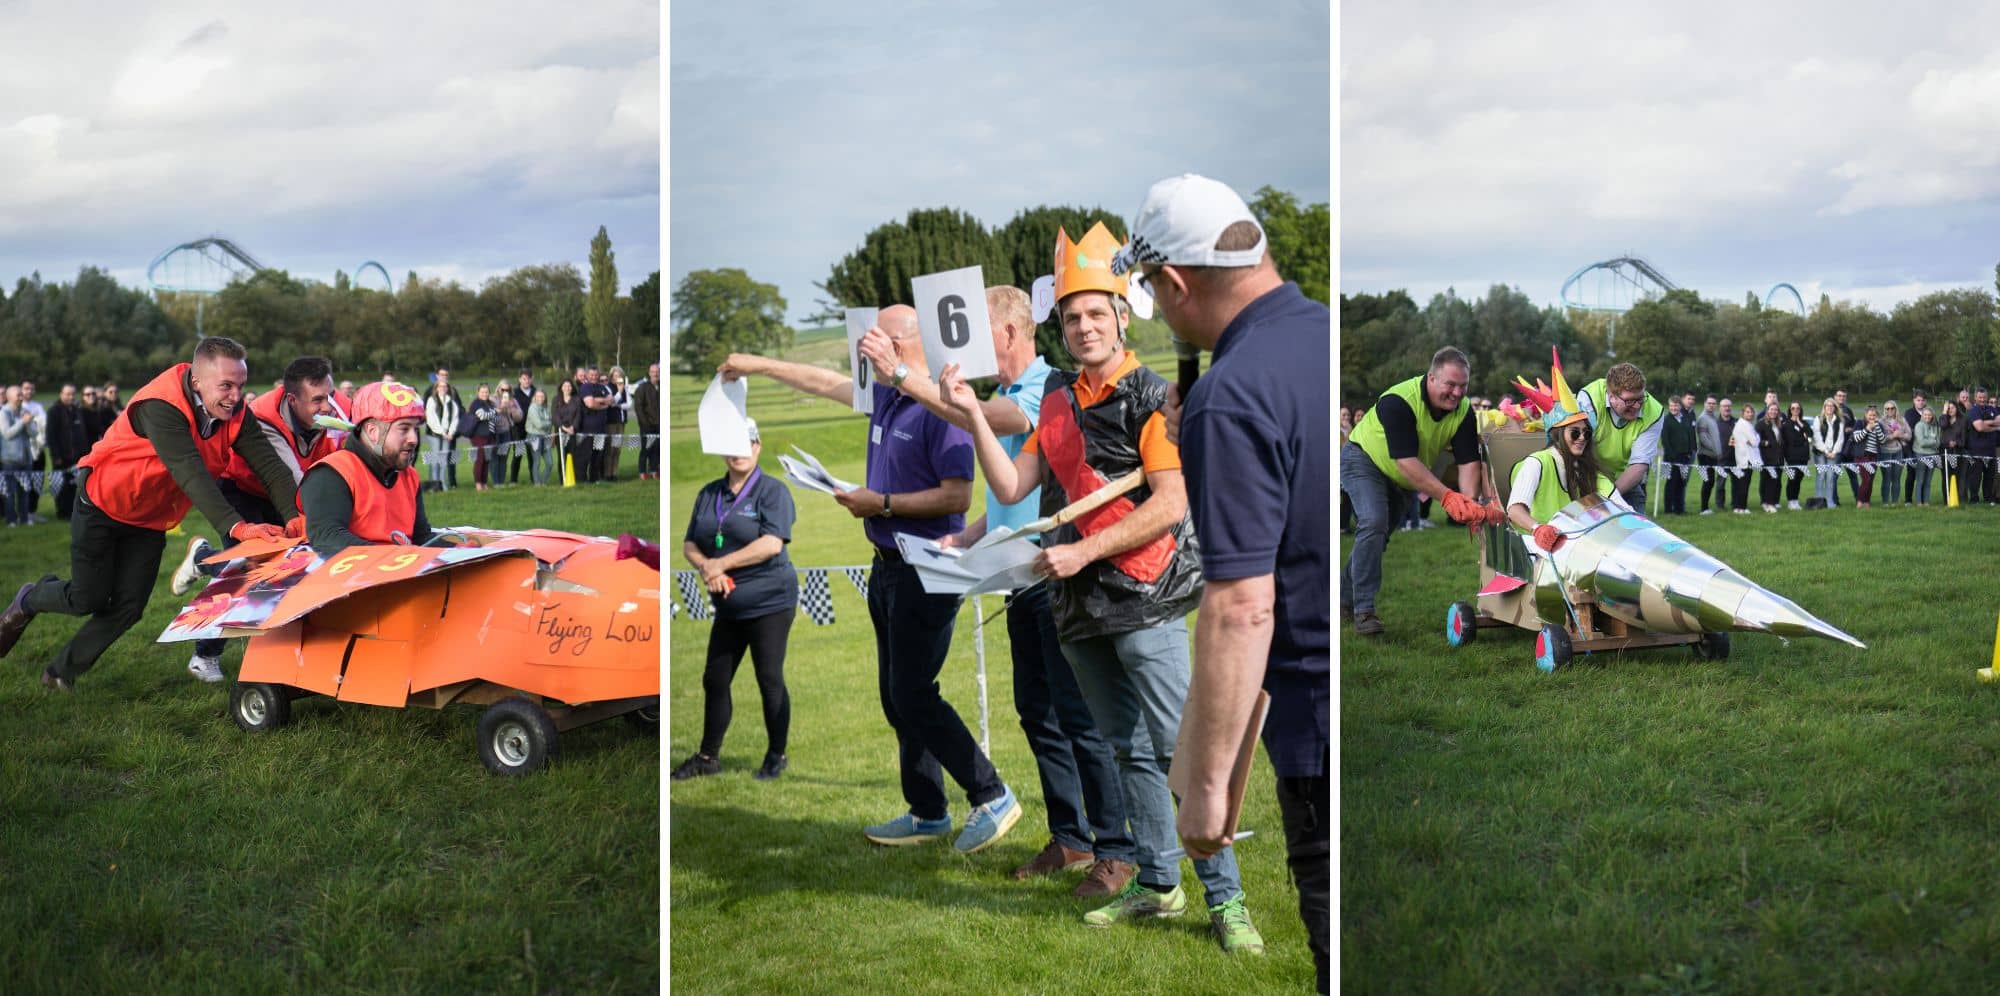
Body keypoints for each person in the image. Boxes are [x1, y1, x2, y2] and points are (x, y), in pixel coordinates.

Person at [940, 218, 1260, 954]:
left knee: (1185, 752)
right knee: (1125, 751)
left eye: (1096, 313)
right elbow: (1016, 480)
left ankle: (1228, 899)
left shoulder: (1150, 394)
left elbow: (1171, 503)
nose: (1084, 327)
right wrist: (969, 414)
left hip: (1144, 599)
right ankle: (1158, 884)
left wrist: (1084, 555)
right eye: (1072, 316)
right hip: (1078, 607)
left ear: (1121, 316)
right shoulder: (1054, 400)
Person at [1114, 172, 1330, 981]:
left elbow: (1240, 606)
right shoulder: (1317, 334)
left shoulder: (1230, 395)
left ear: (1175, 281)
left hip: (1311, 714)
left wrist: (1206, 786)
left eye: (1156, 296)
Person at [861, 283, 1135, 898]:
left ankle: (1115, 849)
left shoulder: (1044, 388)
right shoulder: (1006, 394)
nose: (963, 340)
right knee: (1037, 713)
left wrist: (904, 375)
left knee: (1079, 718)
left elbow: (980, 419)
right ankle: (1070, 838)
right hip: (1016, 576)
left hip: (1055, 576)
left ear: (1009, 332)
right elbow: (1013, 491)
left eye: (978, 328)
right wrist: (971, 537)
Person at [721, 304, 1022, 857]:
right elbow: (823, 381)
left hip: (926, 568)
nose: (864, 345)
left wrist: (879, 502)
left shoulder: (944, 409)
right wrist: (759, 364)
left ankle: (992, 793)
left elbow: (958, 497)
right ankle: (928, 812)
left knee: (912, 693)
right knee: (895, 697)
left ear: (907, 345)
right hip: (886, 567)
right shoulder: (885, 395)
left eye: (876, 337)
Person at [0, 338, 299, 692]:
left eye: (241, 386)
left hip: (150, 518)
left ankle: (59, 673)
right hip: (103, 504)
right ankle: (30, 597)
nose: (236, 396)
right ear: (196, 379)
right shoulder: (161, 405)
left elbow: (270, 466)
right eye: (226, 386)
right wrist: (238, 527)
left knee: (129, 607)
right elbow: (189, 471)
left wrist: (295, 515)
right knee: (87, 598)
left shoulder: (235, 414)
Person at [173, 356, 340, 682]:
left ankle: (293, 651)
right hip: (243, 489)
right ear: (293, 400)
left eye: (329, 396)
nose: (329, 406)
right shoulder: (265, 417)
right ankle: (204, 653)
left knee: (294, 566)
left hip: (283, 495)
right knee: (249, 573)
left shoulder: (330, 410)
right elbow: (292, 480)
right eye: (318, 400)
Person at [1342, 347, 1499, 635]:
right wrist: (1447, 497)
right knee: (1374, 523)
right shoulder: (1398, 401)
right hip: (1364, 460)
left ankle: (1342, 598)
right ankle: (1364, 612)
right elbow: (1406, 462)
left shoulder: (1463, 411)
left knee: (1377, 536)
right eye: (1450, 385)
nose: (1456, 392)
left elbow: (1467, 461)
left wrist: (1470, 502)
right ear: (1431, 378)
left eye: (1463, 386)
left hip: (1402, 477)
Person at [674, 420, 798, 783]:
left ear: (757, 446)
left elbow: (772, 543)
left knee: (769, 678)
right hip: (728, 604)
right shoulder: (709, 493)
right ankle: (708, 757)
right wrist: (707, 569)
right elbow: (689, 544)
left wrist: (720, 564)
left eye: (746, 443)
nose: (738, 451)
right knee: (715, 679)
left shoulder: (773, 492)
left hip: (770, 600)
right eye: (730, 444)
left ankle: (777, 754)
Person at [299, 381, 435, 557]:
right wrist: (393, 558)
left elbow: (422, 538)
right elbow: (327, 537)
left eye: (415, 429)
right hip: (345, 579)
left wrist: (463, 551)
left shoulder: (409, 476)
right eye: (404, 429)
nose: (413, 439)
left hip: (397, 572)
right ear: (373, 431)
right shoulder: (332, 473)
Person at [1505, 364, 1631, 541]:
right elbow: (1514, 510)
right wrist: (1538, 529)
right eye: (1574, 432)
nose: (1582, 438)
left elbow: (1622, 508)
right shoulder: (1537, 463)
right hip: (1537, 550)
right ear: (1558, 434)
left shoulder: (1587, 469)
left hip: (1573, 550)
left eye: (1586, 432)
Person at [1574, 362, 1664, 509]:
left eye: (1640, 399)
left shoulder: (1654, 412)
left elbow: (1639, 464)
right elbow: (1579, 449)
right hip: (1587, 473)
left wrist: (1608, 498)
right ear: (1611, 396)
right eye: (1629, 401)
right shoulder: (1590, 399)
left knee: (1637, 529)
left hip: (1624, 481)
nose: (1637, 406)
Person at [46, 384, 89, 520]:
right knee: (61, 485)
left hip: (76, 455)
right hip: (61, 457)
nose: (71, 397)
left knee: (73, 485)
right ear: (61, 394)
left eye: (73, 394)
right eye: (68, 394)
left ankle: (71, 511)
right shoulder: (54, 411)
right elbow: (51, 436)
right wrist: (56, 456)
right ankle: (62, 513)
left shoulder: (76, 410)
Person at [422, 368, 462, 491]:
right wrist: (441, 432)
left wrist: (450, 433)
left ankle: (443, 484)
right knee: (434, 460)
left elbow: (455, 418)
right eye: (441, 387)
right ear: (437, 387)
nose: (443, 388)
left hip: (448, 435)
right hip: (434, 434)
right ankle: (434, 485)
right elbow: (431, 417)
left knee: (443, 461)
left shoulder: (452, 402)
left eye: (445, 387)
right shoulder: (431, 399)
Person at [0, 387, 33, 527]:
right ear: (9, 397)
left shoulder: (24, 411)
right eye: (18, 394)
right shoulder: (4, 413)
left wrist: (29, 424)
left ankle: (24, 519)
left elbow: (34, 433)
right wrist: (23, 422)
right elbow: (7, 434)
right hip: (9, 460)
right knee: (10, 492)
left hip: (26, 459)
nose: (22, 397)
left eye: (21, 394)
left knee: (25, 491)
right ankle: (11, 520)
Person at [576, 366, 613, 484]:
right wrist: (603, 404)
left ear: (599, 375)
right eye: (591, 374)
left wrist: (597, 400)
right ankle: (582, 479)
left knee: (598, 455)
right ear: (587, 375)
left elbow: (610, 400)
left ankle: (594, 478)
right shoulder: (584, 387)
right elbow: (590, 404)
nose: (594, 377)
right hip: (587, 428)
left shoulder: (603, 387)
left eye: (596, 375)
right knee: (585, 455)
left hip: (601, 428)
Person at [1660, 394, 1696, 514]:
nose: (1673, 408)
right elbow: (1665, 440)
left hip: (1685, 457)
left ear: (1680, 406)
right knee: (1671, 484)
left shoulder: (1685, 418)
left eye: (1676, 406)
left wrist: (1690, 451)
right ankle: (1668, 509)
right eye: (1671, 406)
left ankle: (1679, 509)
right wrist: (1672, 456)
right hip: (1672, 458)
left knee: (1681, 483)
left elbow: (1690, 435)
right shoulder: (1666, 420)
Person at [1811, 398, 1846, 508]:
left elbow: (1840, 438)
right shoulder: (1818, 419)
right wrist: (1825, 451)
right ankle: (1820, 502)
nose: (1830, 407)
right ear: (1824, 407)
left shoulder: (1839, 421)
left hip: (1833, 453)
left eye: (1832, 406)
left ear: (1835, 408)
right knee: (1821, 476)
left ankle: (1830, 502)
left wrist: (1834, 452)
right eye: (1827, 406)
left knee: (1831, 477)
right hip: (1820, 452)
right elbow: (1817, 437)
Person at [1968, 387, 2000, 505]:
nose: (1982, 399)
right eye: (1980, 397)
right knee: (1976, 477)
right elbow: (1979, 427)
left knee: (1989, 476)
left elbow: (1999, 420)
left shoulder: (1992, 408)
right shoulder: (1973, 411)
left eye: (1984, 397)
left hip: (1991, 450)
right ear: (1975, 397)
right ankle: (1974, 498)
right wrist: (1994, 426)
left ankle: (1988, 498)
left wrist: (1985, 422)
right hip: (1977, 450)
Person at [1729, 400, 1760, 514]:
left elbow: (1753, 441)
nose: (1750, 414)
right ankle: (1741, 507)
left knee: (1742, 484)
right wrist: (1756, 438)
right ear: (1743, 413)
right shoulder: (1743, 424)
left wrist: (1754, 439)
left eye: (1751, 412)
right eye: (1747, 412)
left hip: (1744, 457)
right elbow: (1755, 442)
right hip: (1745, 459)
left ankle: (1738, 507)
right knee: (1743, 484)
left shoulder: (1744, 424)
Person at [1695, 395, 1724, 514]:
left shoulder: (1713, 418)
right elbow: (1703, 438)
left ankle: (1706, 507)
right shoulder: (1703, 418)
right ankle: (1704, 508)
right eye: (1709, 403)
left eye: (1713, 403)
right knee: (1708, 481)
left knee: (1710, 482)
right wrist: (1716, 451)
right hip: (1705, 455)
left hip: (1713, 456)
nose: (1711, 405)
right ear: (1704, 403)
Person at [633, 362, 662, 481]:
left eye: (657, 371)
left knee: (658, 448)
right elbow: (638, 407)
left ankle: (654, 471)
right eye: (653, 372)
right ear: (649, 373)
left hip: (659, 424)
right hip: (647, 425)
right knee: (646, 448)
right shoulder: (642, 388)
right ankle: (642, 471)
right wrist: (644, 423)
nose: (655, 374)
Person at [468, 384, 499, 491]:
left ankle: (484, 483)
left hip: (490, 435)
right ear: (478, 392)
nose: (485, 394)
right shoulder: (476, 403)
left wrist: (494, 413)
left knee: (487, 460)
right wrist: (495, 412)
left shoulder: (490, 404)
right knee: (480, 460)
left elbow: (495, 418)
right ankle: (478, 484)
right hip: (479, 436)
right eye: (482, 392)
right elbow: (482, 416)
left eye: (486, 392)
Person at [1878, 399, 1909, 507]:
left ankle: (1895, 502)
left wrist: (1900, 435)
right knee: (1886, 478)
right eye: (1887, 408)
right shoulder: (1880, 421)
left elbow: (1909, 435)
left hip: (1898, 452)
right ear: (1884, 410)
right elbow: (1879, 438)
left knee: (1896, 478)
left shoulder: (1902, 420)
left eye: (1892, 408)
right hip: (1885, 452)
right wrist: (1892, 436)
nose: (1890, 410)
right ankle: (1885, 502)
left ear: (1896, 409)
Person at [488, 382, 519, 486]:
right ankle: (496, 481)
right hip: (495, 432)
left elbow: (519, 416)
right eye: (503, 390)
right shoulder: (492, 399)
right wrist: (501, 407)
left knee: (503, 457)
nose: (505, 392)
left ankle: (501, 481)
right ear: (498, 389)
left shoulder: (512, 400)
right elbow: (490, 415)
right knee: (495, 458)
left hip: (506, 431)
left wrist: (511, 409)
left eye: (508, 390)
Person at [1781, 402, 1811, 510]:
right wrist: (1803, 437)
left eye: (1797, 408)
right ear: (1789, 410)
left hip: (1803, 455)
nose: (1795, 410)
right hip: (1792, 456)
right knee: (1792, 478)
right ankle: (1790, 501)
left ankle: (1795, 500)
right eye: (1793, 408)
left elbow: (1810, 434)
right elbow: (1790, 439)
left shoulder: (1804, 423)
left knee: (1799, 478)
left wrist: (1800, 423)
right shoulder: (1785, 424)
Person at [551, 379, 582, 483]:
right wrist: (563, 427)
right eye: (565, 386)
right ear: (561, 387)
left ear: (572, 388)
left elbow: (578, 415)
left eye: (569, 386)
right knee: (562, 457)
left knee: (574, 456)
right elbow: (555, 416)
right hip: (560, 432)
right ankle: (563, 480)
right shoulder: (556, 399)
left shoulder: (576, 400)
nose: (567, 388)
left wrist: (573, 427)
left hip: (573, 432)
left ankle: (574, 478)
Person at [508, 370, 536, 484]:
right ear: (519, 379)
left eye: (528, 378)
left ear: (531, 379)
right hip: (518, 429)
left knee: (532, 455)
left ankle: (534, 478)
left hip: (532, 429)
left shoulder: (535, 391)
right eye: (524, 378)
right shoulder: (514, 392)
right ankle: (513, 480)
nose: (526, 380)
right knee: (518, 454)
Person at [1853, 405, 1884, 507]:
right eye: (1870, 415)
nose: (1872, 417)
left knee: (1870, 480)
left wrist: (1877, 428)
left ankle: (1867, 501)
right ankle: (1860, 501)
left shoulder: (1878, 425)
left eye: (1874, 415)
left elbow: (1882, 440)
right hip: (1862, 456)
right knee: (1866, 479)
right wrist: (1867, 428)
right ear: (1865, 415)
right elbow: (1857, 438)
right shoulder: (1859, 423)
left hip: (1874, 456)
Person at [604, 366, 631, 482]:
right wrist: (619, 392)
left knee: (618, 449)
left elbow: (630, 404)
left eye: (619, 376)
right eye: (615, 376)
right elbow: (611, 402)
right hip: (611, 422)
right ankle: (607, 474)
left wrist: (619, 405)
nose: (617, 378)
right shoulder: (608, 388)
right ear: (611, 377)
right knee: (610, 449)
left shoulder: (625, 388)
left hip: (621, 422)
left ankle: (615, 473)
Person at [1755, 404, 1784, 513]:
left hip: (1777, 458)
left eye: (1776, 410)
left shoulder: (1778, 424)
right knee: (1766, 481)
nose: (1774, 411)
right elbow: (1755, 439)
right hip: (1765, 457)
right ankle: (1766, 503)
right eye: (1772, 409)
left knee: (1774, 481)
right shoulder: (1761, 424)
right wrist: (1766, 443)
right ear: (1767, 411)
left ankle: (1771, 502)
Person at [1912, 404, 1941, 505]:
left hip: (1933, 454)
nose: (1927, 417)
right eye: (1925, 415)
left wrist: (1933, 442)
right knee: (1920, 479)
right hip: (1920, 454)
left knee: (1928, 480)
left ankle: (1926, 501)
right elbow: (1922, 443)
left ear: (1932, 415)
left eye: (1929, 415)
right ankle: (1919, 502)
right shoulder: (1919, 425)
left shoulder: (1935, 426)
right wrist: (1933, 441)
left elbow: (1938, 443)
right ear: (1922, 415)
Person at [525, 388, 554, 485]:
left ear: (545, 397)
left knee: (550, 463)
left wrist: (548, 424)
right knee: (537, 462)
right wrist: (549, 423)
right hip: (534, 436)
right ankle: (537, 484)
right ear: (535, 397)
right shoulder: (532, 408)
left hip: (545, 437)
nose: (540, 398)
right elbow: (539, 425)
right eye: (538, 396)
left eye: (542, 396)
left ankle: (543, 481)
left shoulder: (546, 408)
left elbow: (549, 423)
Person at [1904, 390, 1929, 504]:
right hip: (1911, 448)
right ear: (1914, 401)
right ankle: (1908, 500)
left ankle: (1923, 499)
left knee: (1924, 476)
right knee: (1911, 475)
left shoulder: (1929, 413)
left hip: (1926, 449)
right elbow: (1910, 431)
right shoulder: (1909, 413)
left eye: (1922, 400)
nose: (1920, 402)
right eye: (1918, 400)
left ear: (1926, 401)